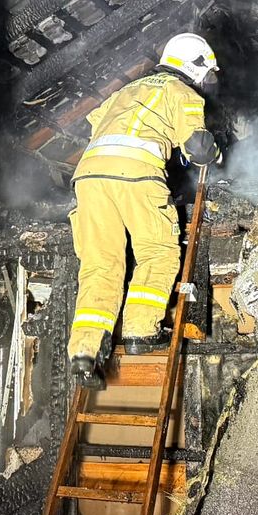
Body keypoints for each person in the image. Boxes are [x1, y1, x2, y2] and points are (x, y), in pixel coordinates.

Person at [65, 33, 222, 387]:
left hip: (88, 178)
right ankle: (141, 330)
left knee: (100, 264)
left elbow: (100, 127)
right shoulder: (181, 92)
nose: (205, 82)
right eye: (205, 74)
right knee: (158, 251)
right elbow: (198, 148)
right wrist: (215, 153)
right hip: (135, 172)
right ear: (194, 66)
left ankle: (85, 353)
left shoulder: (123, 92)